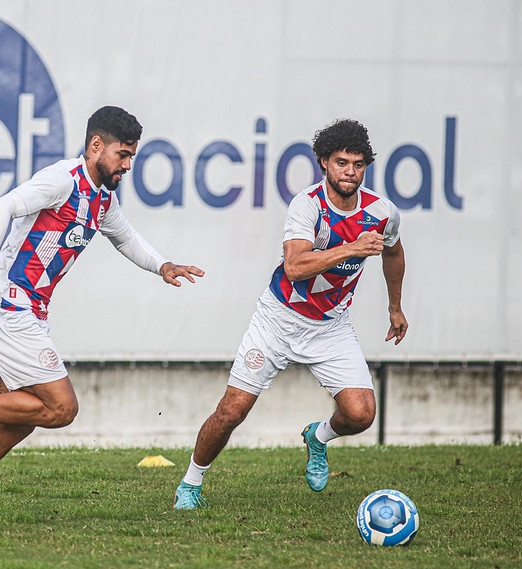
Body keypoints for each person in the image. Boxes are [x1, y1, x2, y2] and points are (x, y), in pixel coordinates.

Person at [0, 106, 204, 526]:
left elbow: (127, 238)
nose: (127, 165)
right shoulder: (63, 179)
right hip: (9, 304)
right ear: (95, 145)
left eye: (132, 156)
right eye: (122, 154)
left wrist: (163, 266)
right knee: (61, 409)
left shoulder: (102, 198)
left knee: (21, 416)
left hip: (23, 309)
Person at [173, 119, 408, 509]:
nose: (350, 172)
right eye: (341, 162)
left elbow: (394, 252)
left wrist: (395, 306)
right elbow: (296, 266)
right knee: (232, 411)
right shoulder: (308, 205)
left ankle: (317, 437)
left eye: (358, 163)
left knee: (361, 413)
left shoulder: (382, 211)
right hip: (277, 321)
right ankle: (190, 484)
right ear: (323, 163)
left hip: (330, 327)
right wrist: (351, 248)